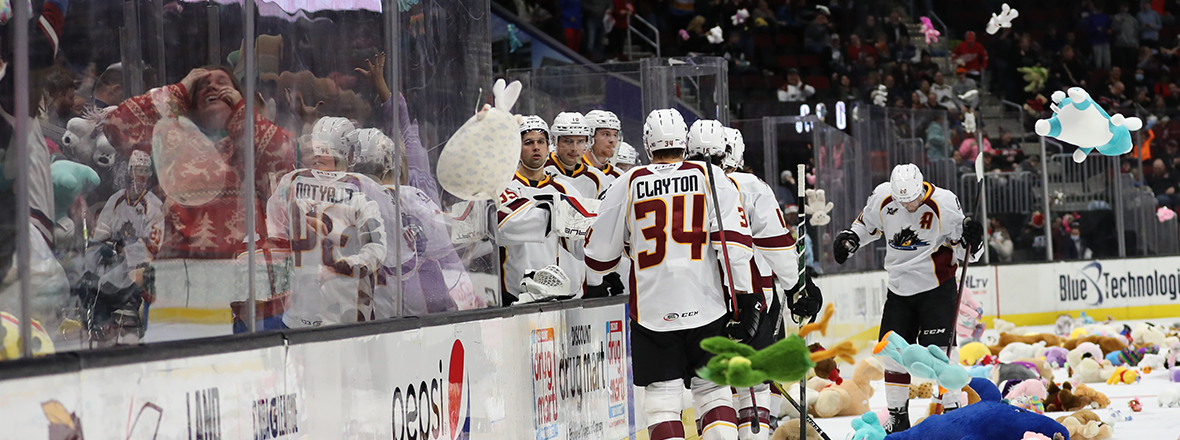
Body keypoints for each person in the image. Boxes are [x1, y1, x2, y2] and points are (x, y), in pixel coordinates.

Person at [585, 109, 754, 440]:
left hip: (652, 310)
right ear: (684, 141)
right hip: (707, 305)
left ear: (648, 144)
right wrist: (745, 297)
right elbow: (733, 243)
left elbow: (599, 254)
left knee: (662, 401)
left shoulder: (628, 182)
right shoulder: (710, 175)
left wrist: (598, 278)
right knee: (714, 391)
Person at [832, 164, 984, 433]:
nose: (910, 205)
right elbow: (866, 226)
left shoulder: (945, 203)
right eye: (904, 201)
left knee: (940, 355)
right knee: (892, 355)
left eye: (913, 199)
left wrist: (976, 239)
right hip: (899, 291)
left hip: (937, 288)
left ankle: (952, 411)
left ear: (921, 188)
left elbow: (968, 253)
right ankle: (898, 416)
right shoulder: (882, 198)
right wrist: (850, 239)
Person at [722, 126, 822, 436]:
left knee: (709, 384)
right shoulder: (749, 185)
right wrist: (796, 286)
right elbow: (777, 245)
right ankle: (763, 425)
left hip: (702, 299)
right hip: (755, 293)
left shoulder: (687, 185)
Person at [264, 125, 389, 329]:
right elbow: (377, 250)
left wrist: (336, 268)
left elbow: (375, 251)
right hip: (316, 310)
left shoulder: (292, 185)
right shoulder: (363, 192)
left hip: (335, 312)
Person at [499, 116, 586, 305]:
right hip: (517, 297)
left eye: (541, 142)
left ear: (548, 147)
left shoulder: (565, 189)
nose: (536, 147)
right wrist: (554, 213)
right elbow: (505, 228)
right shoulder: (504, 187)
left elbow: (582, 241)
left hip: (561, 297)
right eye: (528, 142)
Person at [545, 112, 609, 198]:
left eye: (580, 142)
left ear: (587, 142)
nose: (574, 148)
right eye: (568, 141)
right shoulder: (540, 170)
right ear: (554, 140)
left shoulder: (598, 178)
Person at [583, 109, 623, 185]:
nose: (612, 140)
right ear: (589, 136)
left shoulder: (619, 176)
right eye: (606, 134)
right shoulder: (574, 170)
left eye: (615, 135)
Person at [1085, 3, 1113, 70]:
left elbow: (1108, 28)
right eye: (1098, 8)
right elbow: (1088, 30)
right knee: (1098, 60)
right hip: (1096, 41)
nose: (1100, 10)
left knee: (1107, 60)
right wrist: (1096, 30)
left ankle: (1109, 75)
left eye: (1101, 9)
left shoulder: (1105, 16)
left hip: (1105, 40)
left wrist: (1109, 31)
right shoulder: (1091, 17)